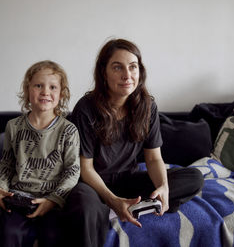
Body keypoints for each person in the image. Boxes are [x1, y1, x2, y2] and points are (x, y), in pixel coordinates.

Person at [64, 38, 204, 247]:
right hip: (92, 184)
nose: (127, 75)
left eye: (133, 67)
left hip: (128, 181)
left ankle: (136, 204)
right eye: (117, 67)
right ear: (104, 72)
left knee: (194, 177)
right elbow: (85, 168)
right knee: (83, 205)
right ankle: (114, 207)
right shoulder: (86, 108)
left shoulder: (147, 106)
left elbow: (154, 158)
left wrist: (163, 187)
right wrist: (112, 199)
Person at [0, 60, 80, 247]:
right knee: (8, 234)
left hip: (52, 200)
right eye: (38, 85)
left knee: (54, 236)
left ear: (62, 93)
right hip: (18, 197)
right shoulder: (13, 127)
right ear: (27, 90)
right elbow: (7, 163)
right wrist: (0, 188)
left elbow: (72, 170)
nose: (45, 92)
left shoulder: (69, 130)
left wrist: (53, 199)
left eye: (53, 87)